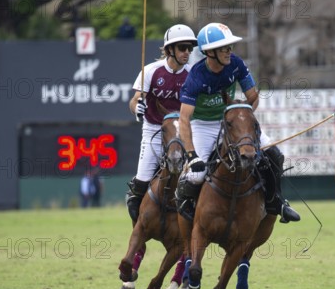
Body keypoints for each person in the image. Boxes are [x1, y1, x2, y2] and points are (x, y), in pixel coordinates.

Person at [175, 22, 300, 224]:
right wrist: (191, 156)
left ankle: (276, 202)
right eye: (224, 48)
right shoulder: (196, 77)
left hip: (230, 122)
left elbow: (253, 98)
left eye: (229, 47)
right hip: (203, 126)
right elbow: (184, 119)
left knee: (274, 155)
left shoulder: (236, 64)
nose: (229, 51)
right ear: (210, 52)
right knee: (197, 175)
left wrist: (240, 117)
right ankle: (183, 201)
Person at [125, 24, 198, 220]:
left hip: (183, 132)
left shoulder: (192, 74)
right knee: (141, 183)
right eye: (182, 47)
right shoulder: (150, 71)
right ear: (169, 50)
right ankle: (138, 231)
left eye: (190, 48)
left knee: (199, 180)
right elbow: (134, 100)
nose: (187, 52)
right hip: (154, 130)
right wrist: (137, 107)